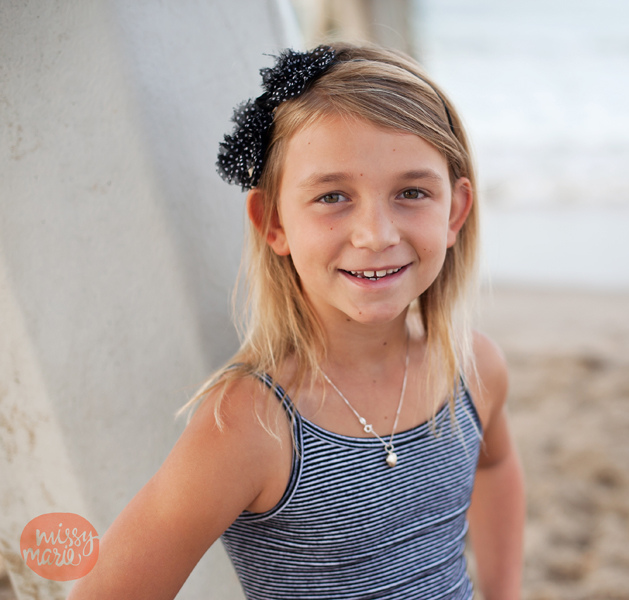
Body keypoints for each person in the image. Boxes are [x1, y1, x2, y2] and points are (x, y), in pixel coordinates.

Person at [69, 43, 525, 600]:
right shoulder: (250, 425)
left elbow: (496, 466)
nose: (376, 235)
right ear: (274, 222)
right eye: (333, 196)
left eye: (412, 192)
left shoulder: (473, 366)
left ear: (454, 211)